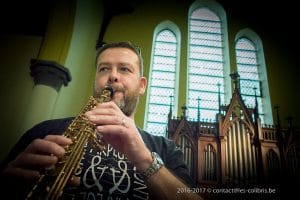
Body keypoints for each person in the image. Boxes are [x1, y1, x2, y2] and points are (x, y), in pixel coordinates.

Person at [0, 42, 203, 200]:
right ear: (95, 79)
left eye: (124, 69)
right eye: (104, 69)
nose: (113, 76)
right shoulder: (45, 131)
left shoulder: (166, 148)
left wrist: (144, 159)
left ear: (142, 86)